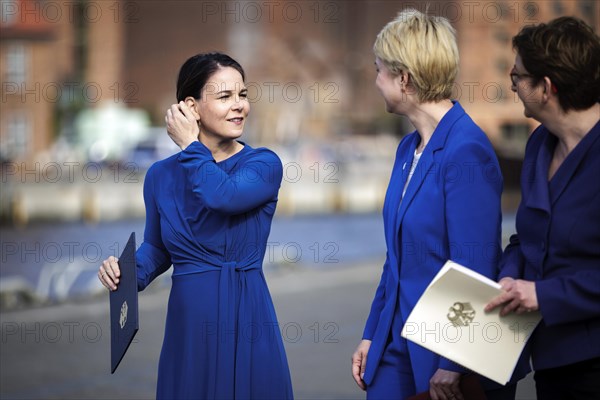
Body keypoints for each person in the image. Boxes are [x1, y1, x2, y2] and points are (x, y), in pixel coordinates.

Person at [98, 52, 294, 399]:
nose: (239, 106)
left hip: (246, 314)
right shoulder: (160, 176)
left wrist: (190, 145)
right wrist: (125, 272)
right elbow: (157, 248)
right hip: (188, 325)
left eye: (242, 95)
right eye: (225, 97)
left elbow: (224, 197)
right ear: (191, 106)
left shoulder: (264, 164)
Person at [350, 9, 519, 400]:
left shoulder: (467, 151)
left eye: (379, 71)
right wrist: (371, 334)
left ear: (404, 78)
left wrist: (453, 363)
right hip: (394, 343)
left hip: (440, 351)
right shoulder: (408, 148)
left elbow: (475, 264)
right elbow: (396, 257)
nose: (375, 82)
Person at [485, 16, 600, 399]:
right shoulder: (538, 146)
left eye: (517, 76)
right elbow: (525, 239)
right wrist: (509, 277)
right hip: (548, 360)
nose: (512, 85)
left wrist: (543, 296)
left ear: (546, 87)